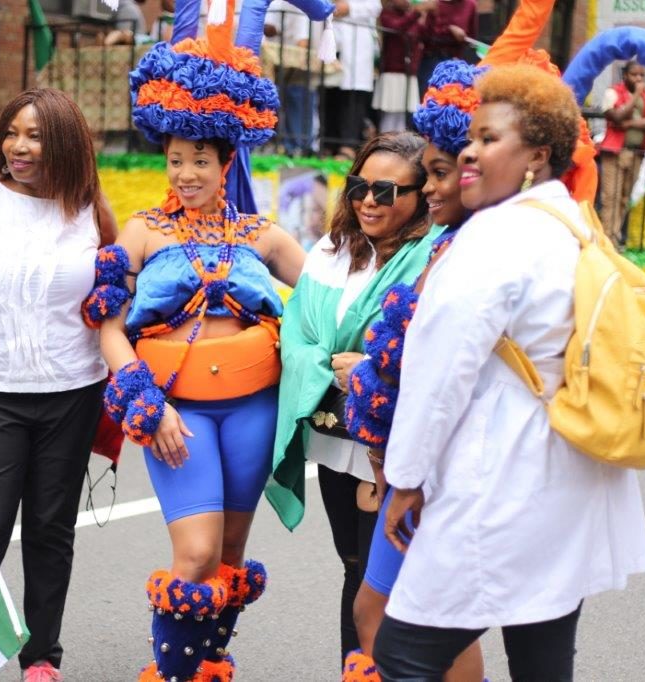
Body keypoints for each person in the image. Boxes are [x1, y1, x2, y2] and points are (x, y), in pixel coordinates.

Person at [371, 63, 645, 681]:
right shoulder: (572, 222)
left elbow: (440, 374)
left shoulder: (496, 237)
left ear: (537, 155)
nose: (469, 151)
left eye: (489, 139)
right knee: (542, 657)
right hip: (569, 473)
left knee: (401, 656)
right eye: (471, 137)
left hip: (500, 474)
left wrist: (407, 479)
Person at [84, 0, 317, 677]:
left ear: (226, 164)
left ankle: (211, 665)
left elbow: (331, 297)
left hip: (253, 410)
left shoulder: (261, 234)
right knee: (194, 556)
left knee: (230, 557)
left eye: (200, 162)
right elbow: (105, 320)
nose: (186, 174)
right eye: (177, 160)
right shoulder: (143, 231)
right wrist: (143, 402)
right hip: (175, 415)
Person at [0, 88, 115, 682]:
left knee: (52, 527)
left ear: (62, 143)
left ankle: (41, 659)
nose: (19, 147)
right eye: (11, 132)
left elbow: (116, 296)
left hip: (72, 390)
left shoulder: (88, 207)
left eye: (34, 135)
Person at [269, 130, 444, 665]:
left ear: (418, 198)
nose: (369, 200)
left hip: (391, 439)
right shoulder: (330, 250)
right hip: (333, 434)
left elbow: (440, 346)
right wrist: (332, 366)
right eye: (359, 187)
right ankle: (359, 672)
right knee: (353, 565)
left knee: (385, 575)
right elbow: (297, 331)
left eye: (387, 192)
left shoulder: (432, 258)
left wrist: (371, 369)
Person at [341, 58, 486, 682]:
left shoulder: (483, 250)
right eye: (426, 174)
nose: (429, 189)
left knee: (418, 620)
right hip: (408, 464)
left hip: (446, 469)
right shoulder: (450, 244)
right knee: (382, 610)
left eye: (438, 174)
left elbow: (448, 375)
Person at [598, 59, 645, 246]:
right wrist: (636, 96)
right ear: (625, 76)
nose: (639, 78)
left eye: (642, 75)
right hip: (615, 153)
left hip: (636, 153)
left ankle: (612, 237)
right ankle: (608, 242)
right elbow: (616, 116)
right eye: (634, 75)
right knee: (610, 198)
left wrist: (630, 124)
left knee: (624, 198)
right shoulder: (613, 92)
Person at [323, 0, 382, 159]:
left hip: (356, 45)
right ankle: (328, 144)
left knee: (352, 97)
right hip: (333, 41)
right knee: (329, 94)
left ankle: (347, 146)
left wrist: (349, 8)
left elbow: (375, 7)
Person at [265, 0, 320, 155]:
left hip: (300, 59)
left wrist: (301, 55)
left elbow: (302, 39)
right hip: (279, 57)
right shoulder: (278, 4)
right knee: (280, 98)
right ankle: (286, 144)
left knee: (299, 96)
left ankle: (300, 145)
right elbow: (271, 27)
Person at [374, 0, 422, 133]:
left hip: (408, 72)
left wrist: (429, 14)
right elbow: (396, 28)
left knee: (402, 116)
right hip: (392, 71)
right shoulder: (387, 14)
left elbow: (423, 35)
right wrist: (416, 13)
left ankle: (397, 148)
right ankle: (385, 145)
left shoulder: (412, 15)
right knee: (390, 113)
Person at [415, 0, 477, 97]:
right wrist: (448, 29)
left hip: (454, 62)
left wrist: (463, 36)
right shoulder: (434, 3)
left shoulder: (470, 5)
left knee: (451, 100)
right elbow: (423, 35)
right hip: (431, 59)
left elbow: (472, 38)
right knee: (428, 98)